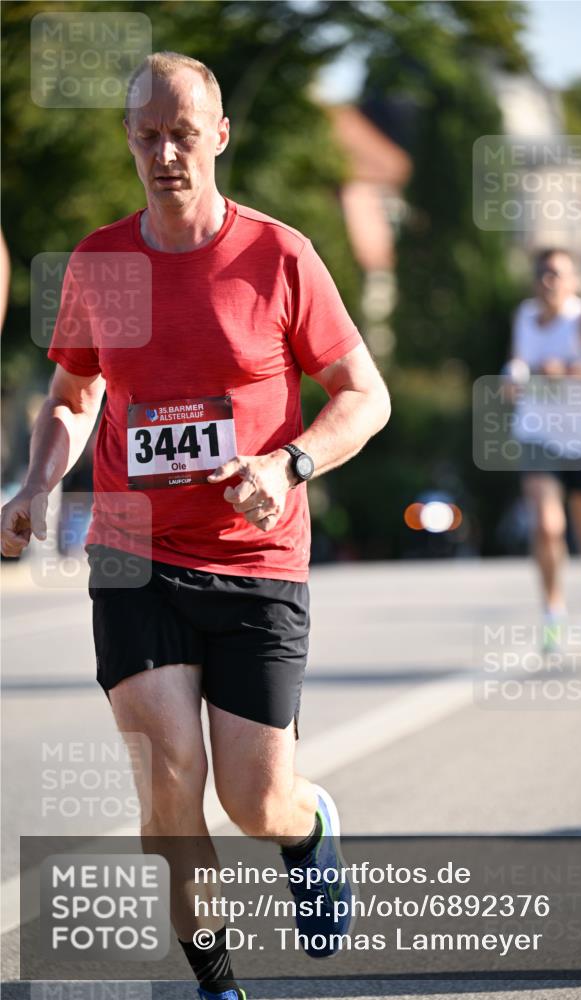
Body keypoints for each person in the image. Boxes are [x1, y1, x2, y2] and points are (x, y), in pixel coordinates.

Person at [0, 52, 391, 1000]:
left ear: (219, 136)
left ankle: (307, 828)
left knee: (254, 802)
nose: (166, 153)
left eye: (183, 134)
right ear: (128, 142)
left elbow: (363, 397)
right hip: (136, 554)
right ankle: (216, 985)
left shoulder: (277, 255)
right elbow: (73, 391)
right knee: (170, 791)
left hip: (258, 560)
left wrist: (287, 462)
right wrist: (38, 481)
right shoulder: (101, 261)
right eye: (147, 136)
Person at [507, 248, 581, 652]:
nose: (548, 281)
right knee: (546, 525)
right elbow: (519, 362)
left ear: (573, 281)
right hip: (538, 434)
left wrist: (576, 370)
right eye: (542, 273)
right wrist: (514, 378)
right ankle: (553, 613)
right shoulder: (524, 316)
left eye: (557, 274)